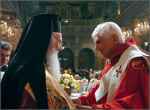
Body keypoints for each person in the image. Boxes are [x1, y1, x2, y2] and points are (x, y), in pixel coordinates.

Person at [1, 14, 75, 109]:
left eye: (61, 41)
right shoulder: (27, 71)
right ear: (42, 38)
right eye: (57, 39)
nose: (60, 47)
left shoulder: (39, 67)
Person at [73, 22, 150, 109]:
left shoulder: (135, 62)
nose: (96, 48)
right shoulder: (111, 61)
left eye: (98, 42)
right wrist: (82, 101)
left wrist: (97, 108)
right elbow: (99, 93)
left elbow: (133, 103)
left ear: (114, 38)